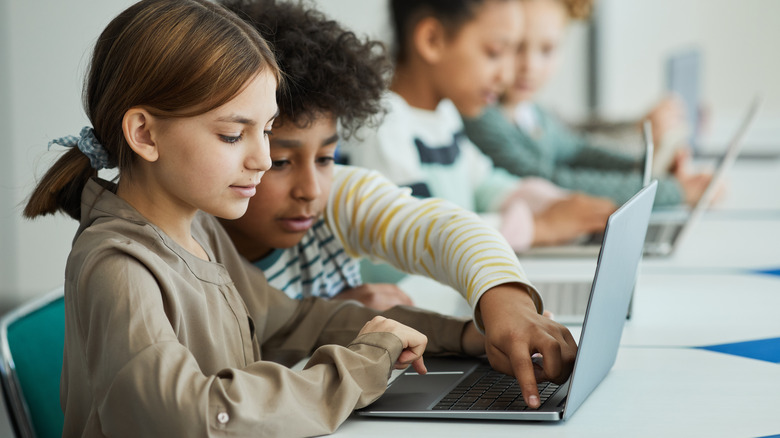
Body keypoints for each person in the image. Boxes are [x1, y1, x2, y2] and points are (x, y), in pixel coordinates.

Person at [22, 1, 501, 435]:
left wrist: (458, 336)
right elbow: (191, 416)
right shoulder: (119, 267)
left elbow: (290, 322)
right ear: (145, 134)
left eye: (267, 131)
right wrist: (358, 367)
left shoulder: (199, 229)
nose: (263, 159)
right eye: (234, 135)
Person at [219, 0, 576, 408]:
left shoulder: (336, 197)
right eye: (280, 162)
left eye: (325, 158)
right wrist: (329, 321)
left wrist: (506, 302)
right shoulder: (199, 243)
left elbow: (440, 228)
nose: (310, 189)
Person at [339, 0, 617, 255]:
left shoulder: (444, 115)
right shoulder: (383, 124)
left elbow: (485, 183)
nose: (507, 75)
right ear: (432, 40)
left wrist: (554, 203)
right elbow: (418, 237)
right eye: (495, 53)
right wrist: (539, 228)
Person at [462, 0, 713, 206]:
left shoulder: (532, 113)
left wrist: (644, 170)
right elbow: (552, 182)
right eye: (516, 47)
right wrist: (672, 192)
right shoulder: (481, 117)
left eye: (547, 49)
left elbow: (579, 150)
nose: (530, 66)